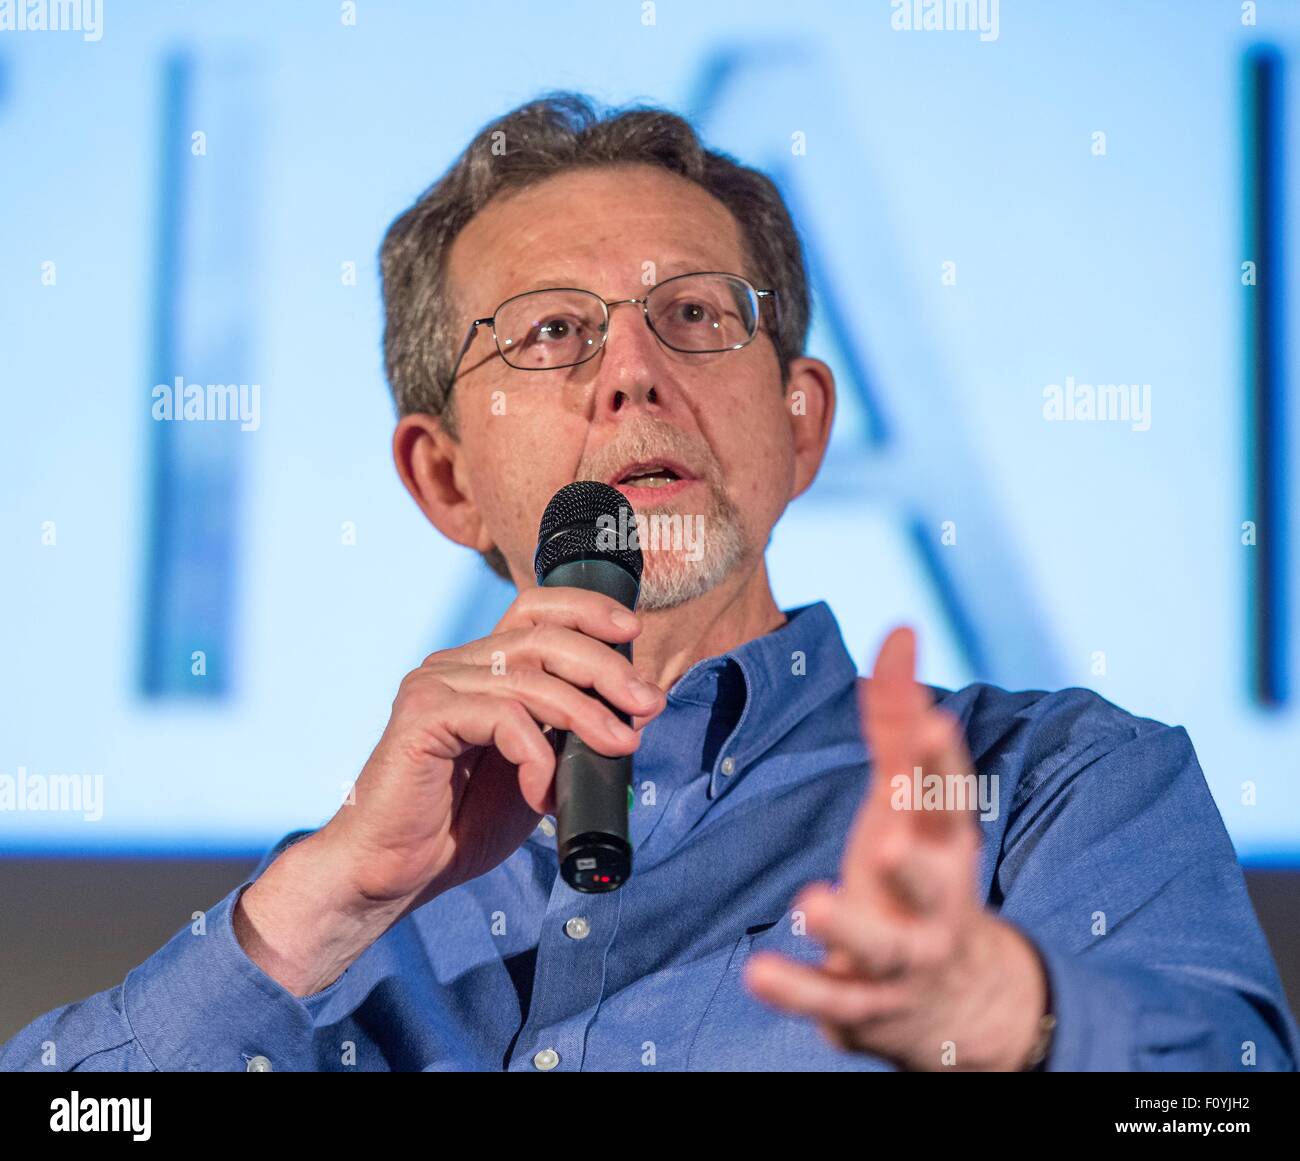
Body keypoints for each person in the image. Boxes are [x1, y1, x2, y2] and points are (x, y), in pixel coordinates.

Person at [4, 92, 1295, 1073]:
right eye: (551, 330)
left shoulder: (1048, 784)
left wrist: (1012, 1011)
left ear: (800, 425)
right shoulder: (348, 916)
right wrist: (320, 902)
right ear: (444, 477)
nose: (631, 371)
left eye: (692, 314)